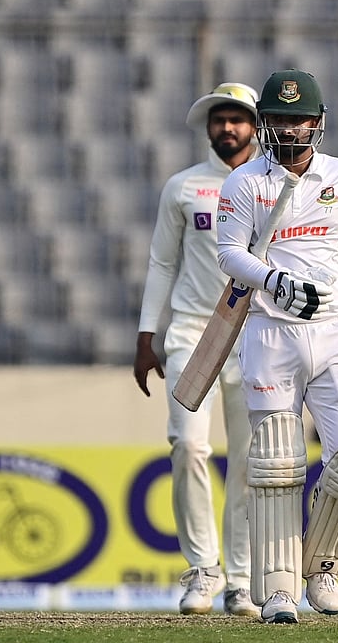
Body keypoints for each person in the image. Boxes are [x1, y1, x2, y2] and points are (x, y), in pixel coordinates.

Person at [215, 69, 338, 624]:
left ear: (318, 123)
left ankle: (322, 567)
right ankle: (278, 588)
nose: (290, 130)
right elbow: (228, 254)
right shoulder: (245, 182)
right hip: (270, 331)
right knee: (276, 463)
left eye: (299, 120)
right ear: (264, 124)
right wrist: (273, 280)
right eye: (278, 119)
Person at [134, 82, 262, 617]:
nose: (227, 128)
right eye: (219, 119)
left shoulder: (274, 187)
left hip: (255, 336)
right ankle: (201, 570)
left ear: (256, 126)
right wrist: (146, 336)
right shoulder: (184, 187)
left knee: (250, 463)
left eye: (237, 119)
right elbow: (163, 262)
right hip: (191, 333)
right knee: (189, 447)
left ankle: (238, 579)